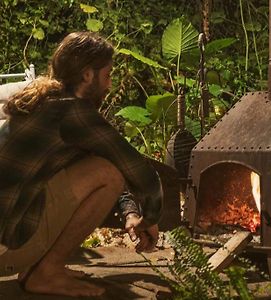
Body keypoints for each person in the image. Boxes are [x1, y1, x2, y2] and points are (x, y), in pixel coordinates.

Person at [0, 31, 163, 297]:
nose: (109, 85)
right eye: (108, 75)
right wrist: (151, 218)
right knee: (107, 174)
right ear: (88, 75)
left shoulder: (45, 99)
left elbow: (98, 162)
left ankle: (42, 267)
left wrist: (131, 212)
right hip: (5, 248)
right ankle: (46, 272)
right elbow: (141, 175)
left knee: (102, 170)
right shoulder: (72, 111)